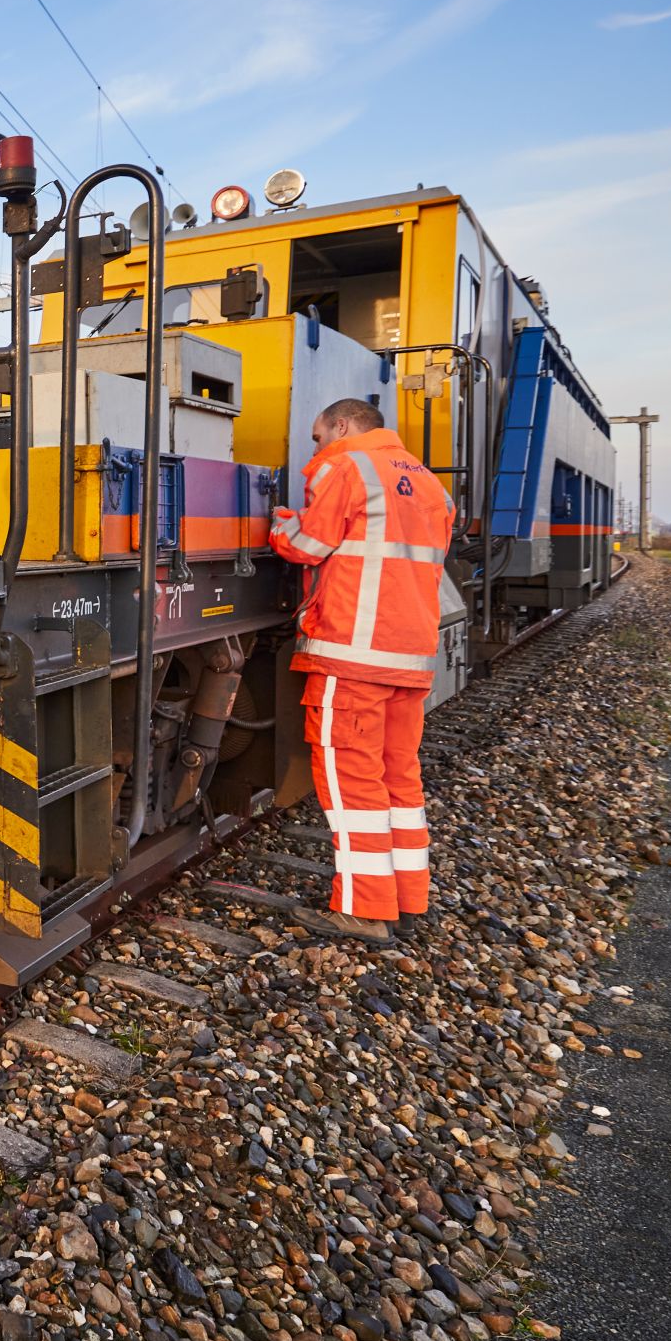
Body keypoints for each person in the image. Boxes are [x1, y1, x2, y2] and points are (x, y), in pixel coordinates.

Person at [268, 397, 453, 943]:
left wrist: (282, 522)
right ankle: (408, 896)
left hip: (354, 653)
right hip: (409, 656)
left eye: (319, 435)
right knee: (399, 776)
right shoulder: (429, 483)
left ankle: (365, 910)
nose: (318, 446)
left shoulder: (348, 465)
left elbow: (307, 545)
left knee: (353, 784)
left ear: (343, 426)